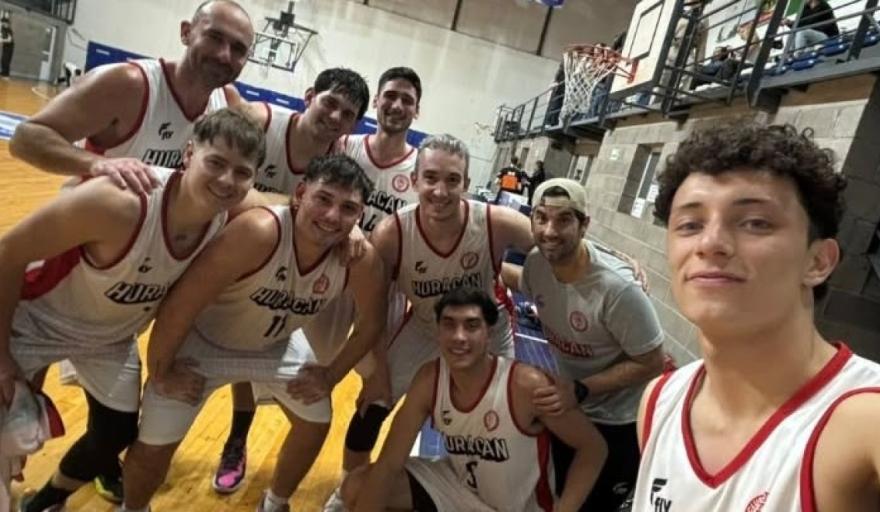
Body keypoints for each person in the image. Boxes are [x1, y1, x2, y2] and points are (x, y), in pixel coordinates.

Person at [0, 108, 265, 512]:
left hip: (108, 339)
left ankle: (42, 504)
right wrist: (2, 356)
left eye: (242, 173)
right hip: (32, 322)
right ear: (188, 153)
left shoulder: (228, 213)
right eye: (216, 163)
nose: (227, 180)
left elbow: (287, 208)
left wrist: (350, 230)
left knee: (115, 434)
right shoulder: (119, 201)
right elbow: (7, 252)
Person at [631, 124, 880, 510]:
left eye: (755, 222)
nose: (710, 243)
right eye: (690, 225)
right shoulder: (659, 400)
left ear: (818, 261)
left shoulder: (866, 419)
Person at [121, 154, 387, 512]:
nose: (332, 216)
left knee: (316, 420)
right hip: (203, 342)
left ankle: (275, 502)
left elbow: (372, 323)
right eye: (323, 199)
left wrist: (330, 376)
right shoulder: (259, 232)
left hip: (275, 345)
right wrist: (161, 371)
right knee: (153, 447)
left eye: (348, 208)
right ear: (300, 194)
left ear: (360, 216)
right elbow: (181, 304)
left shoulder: (360, 259)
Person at [326, 134, 537, 507]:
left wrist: (613, 263)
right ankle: (346, 492)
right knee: (372, 407)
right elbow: (373, 308)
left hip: (487, 334)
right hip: (426, 329)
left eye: (452, 180)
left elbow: (557, 243)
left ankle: (492, 495)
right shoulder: (392, 233)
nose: (440, 191)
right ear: (414, 180)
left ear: (466, 183)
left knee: (501, 425)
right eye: (431, 178)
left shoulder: (495, 222)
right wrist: (377, 374)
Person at [211, 66, 371, 495]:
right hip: (223, 249)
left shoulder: (342, 158)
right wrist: (289, 206)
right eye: (330, 103)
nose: (335, 116)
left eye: (348, 113)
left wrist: (353, 226)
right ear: (309, 96)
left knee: (265, 346)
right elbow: (222, 181)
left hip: (278, 260)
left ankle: (239, 439)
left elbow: (346, 202)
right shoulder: (262, 123)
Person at [342, 287, 608, 512]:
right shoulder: (430, 379)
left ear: (489, 333)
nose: (459, 337)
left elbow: (593, 448)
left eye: (471, 326)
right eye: (449, 324)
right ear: (438, 332)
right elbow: (389, 465)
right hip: (457, 490)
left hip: (517, 507)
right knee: (357, 486)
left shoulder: (526, 385)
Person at [503, 178, 665, 511]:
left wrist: (580, 389)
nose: (550, 230)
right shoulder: (536, 264)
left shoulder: (619, 289)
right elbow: (523, 282)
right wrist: (480, 265)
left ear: (584, 225)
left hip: (619, 423)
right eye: (541, 217)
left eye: (564, 219)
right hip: (571, 411)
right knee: (550, 497)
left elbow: (653, 362)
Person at [9, 0, 254, 194]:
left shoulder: (228, 103)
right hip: (88, 229)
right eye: (214, 38)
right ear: (186, 33)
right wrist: (96, 164)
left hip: (152, 237)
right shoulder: (129, 84)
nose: (224, 55)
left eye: (238, 49)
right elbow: (26, 137)